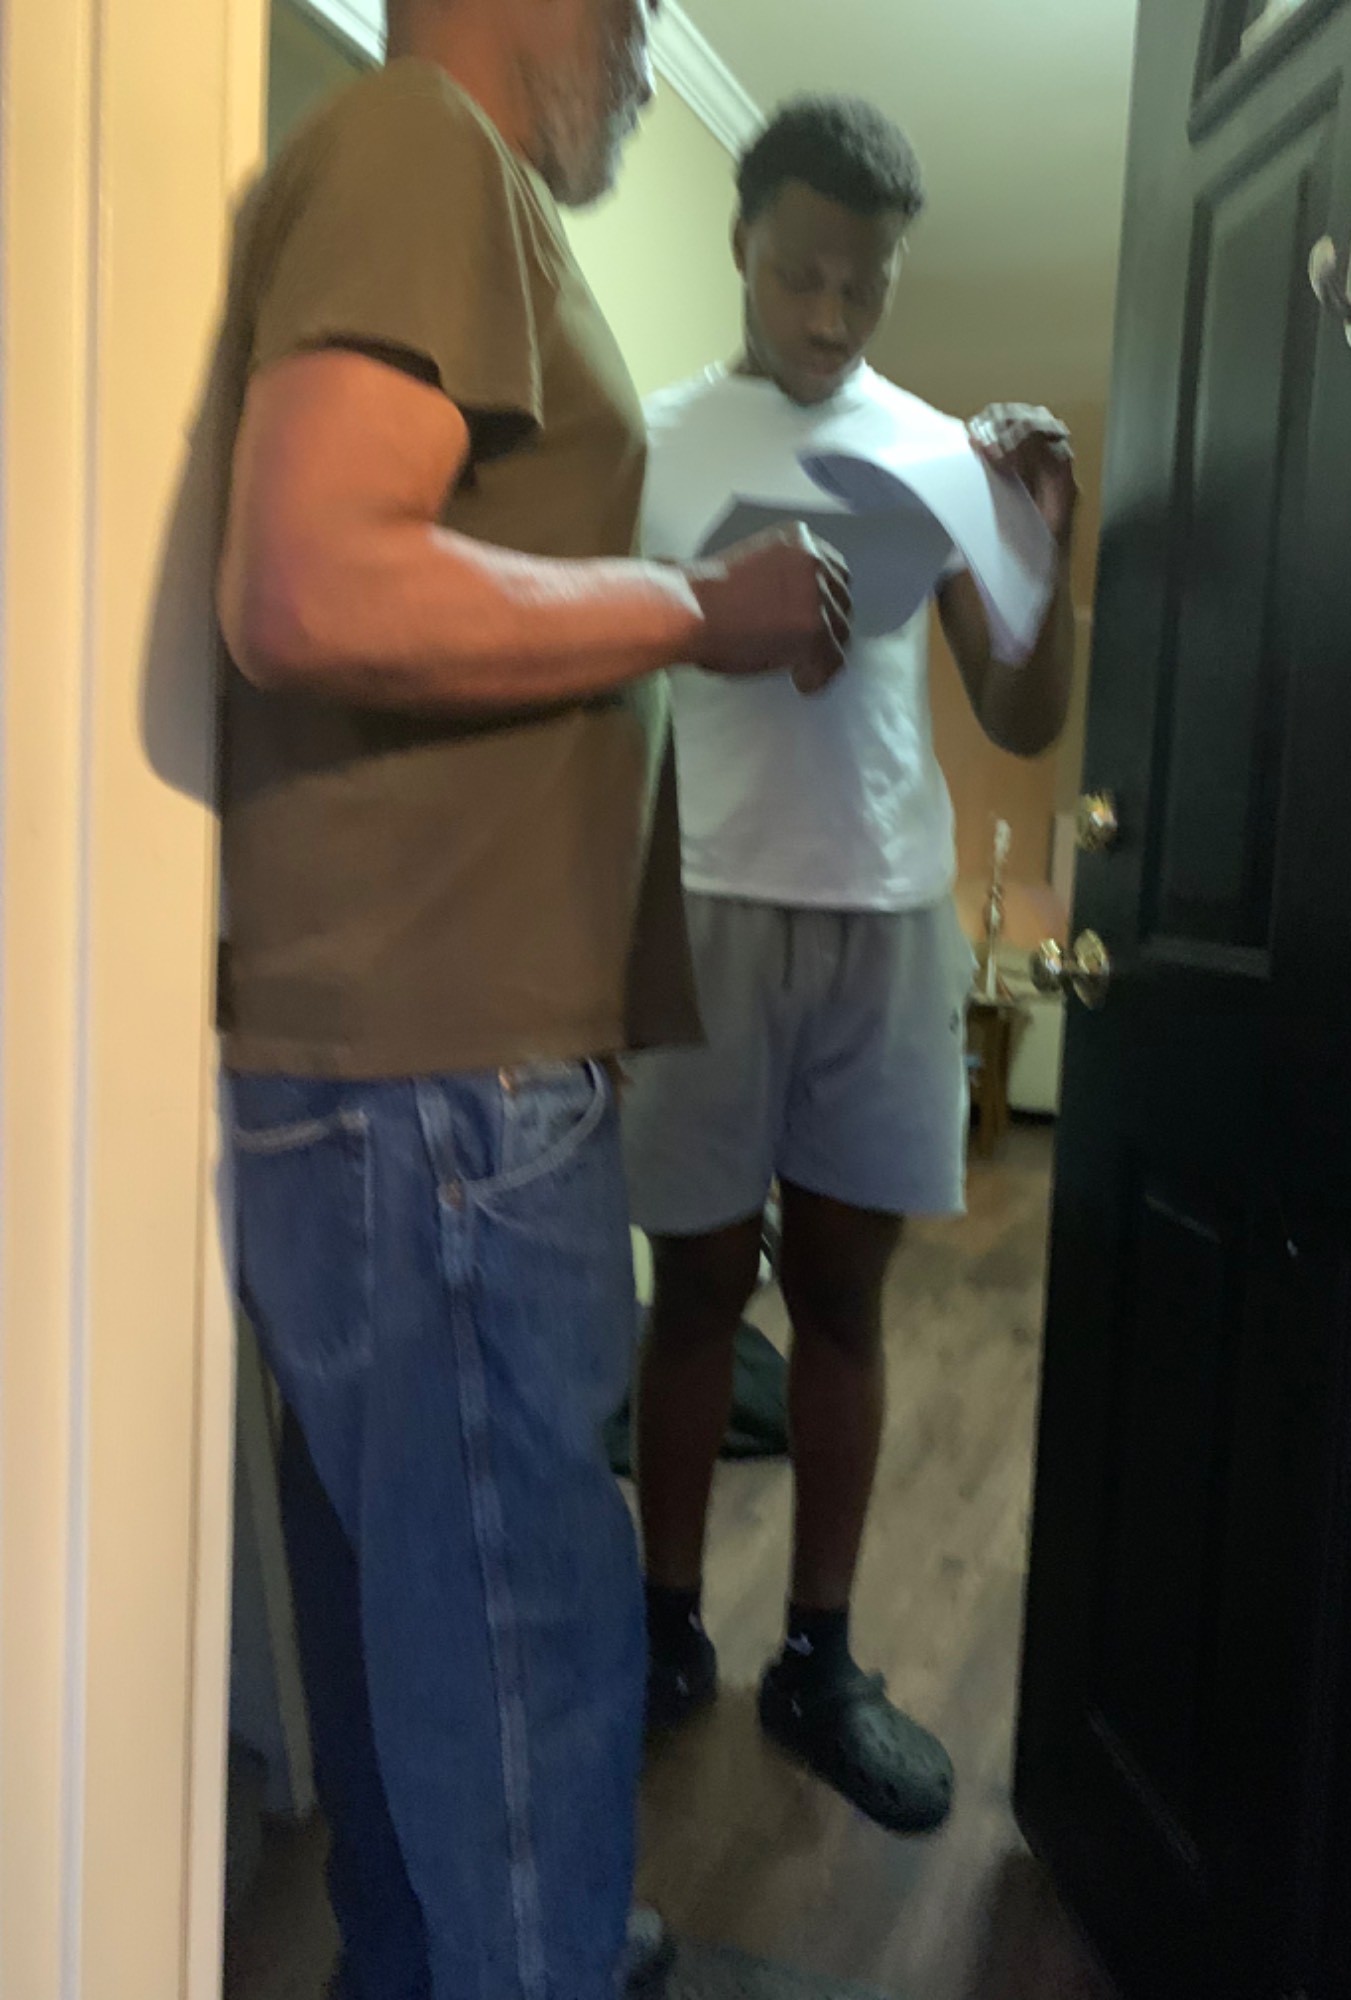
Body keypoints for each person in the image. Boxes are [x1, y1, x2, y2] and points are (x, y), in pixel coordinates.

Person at [213, 2, 852, 1992]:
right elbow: (309, 579)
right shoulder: (427, 146)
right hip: (446, 1099)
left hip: (415, 1089)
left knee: (420, 1645)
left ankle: (489, 1949)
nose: (654, 58)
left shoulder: (427, 172)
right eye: (644, 14)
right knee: (520, 1667)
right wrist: (698, 610)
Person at [623, 95, 1077, 1839]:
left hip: (885, 917)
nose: (828, 314)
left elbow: (1019, 708)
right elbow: (588, 674)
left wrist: (1048, 544)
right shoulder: (654, 439)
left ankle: (818, 1657)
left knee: (841, 1298)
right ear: (741, 243)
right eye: (801, 273)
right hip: (703, 907)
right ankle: (666, 1628)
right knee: (691, 1293)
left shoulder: (940, 448)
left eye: (864, 286)